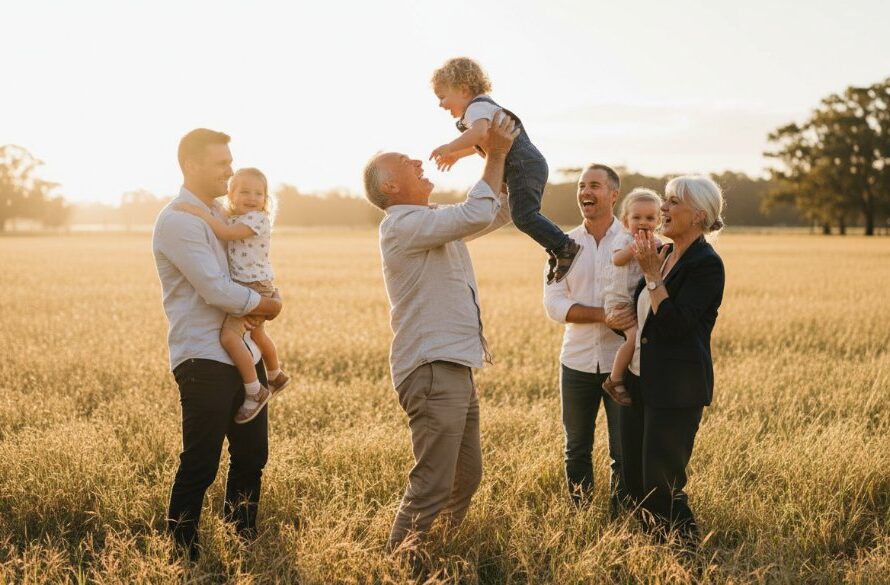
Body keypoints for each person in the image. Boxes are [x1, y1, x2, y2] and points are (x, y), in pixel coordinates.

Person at [364, 113, 517, 551]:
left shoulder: (430, 221)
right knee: (432, 482)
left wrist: (504, 156)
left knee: (465, 477)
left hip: (453, 365)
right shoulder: (403, 225)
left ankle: (434, 553)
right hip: (431, 368)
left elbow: (496, 209)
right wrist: (498, 154)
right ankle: (399, 565)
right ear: (389, 187)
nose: (418, 160)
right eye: (404, 161)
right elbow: (476, 212)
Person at [151, 128, 282, 559]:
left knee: (252, 456)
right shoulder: (178, 221)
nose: (230, 170)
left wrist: (258, 306)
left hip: (242, 349)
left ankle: (242, 541)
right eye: (222, 163)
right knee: (201, 462)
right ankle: (182, 551)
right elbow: (215, 289)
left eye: (231, 161)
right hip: (203, 355)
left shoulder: (227, 214)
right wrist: (267, 304)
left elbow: (251, 260)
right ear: (191, 165)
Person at [612, 175, 726, 546]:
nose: (663, 207)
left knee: (661, 483)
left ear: (699, 215)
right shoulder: (663, 254)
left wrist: (649, 274)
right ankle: (652, 552)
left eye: (674, 201)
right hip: (640, 381)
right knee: (633, 478)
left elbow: (675, 325)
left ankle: (685, 552)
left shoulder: (706, 264)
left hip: (676, 389)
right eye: (666, 199)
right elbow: (644, 317)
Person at [429, 57, 581, 284]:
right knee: (512, 213)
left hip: (522, 167)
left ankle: (563, 246)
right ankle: (557, 248)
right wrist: (456, 155)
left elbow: (479, 134)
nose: (440, 104)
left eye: (442, 97)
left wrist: (450, 147)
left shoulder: (476, 108)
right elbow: (481, 142)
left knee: (524, 216)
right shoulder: (482, 107)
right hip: (525, 166)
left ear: (462, 90)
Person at [543, 163, 636, 512]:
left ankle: (621, 515)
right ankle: (580, 514)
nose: (585, 192)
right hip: (576, 361)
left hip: (622, 364)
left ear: (613, 194)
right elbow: (554, 305)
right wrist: (605, 315)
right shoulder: (562, 245)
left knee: (623, 448)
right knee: (576, 447)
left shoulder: (630, 241)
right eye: (582, 186)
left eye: (594, 185)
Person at [175, 167, 290, 424]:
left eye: (258, 193)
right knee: (257, 333)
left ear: (266, 199)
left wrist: (198, 212)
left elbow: (226, 233)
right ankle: (275, 374)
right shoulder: (236, 215)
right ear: (231, 194)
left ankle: (255, 390)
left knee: (229, 337)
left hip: (253, 287)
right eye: (244, 192)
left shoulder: (257, 219)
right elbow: (226, 218)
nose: (252, 197)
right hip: (254, 285)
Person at [601, 188, 663, 406]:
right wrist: (635, 248)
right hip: (618, 300)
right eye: (636, 217)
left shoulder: (656, 241)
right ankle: (614, 379)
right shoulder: (623, 238)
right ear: (625, 220)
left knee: (644, 337)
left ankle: (637, 376)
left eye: (649, 218)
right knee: (635, 336)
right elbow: (617, 259)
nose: (643, 222)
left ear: (658, 221)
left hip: (637, 302)